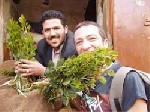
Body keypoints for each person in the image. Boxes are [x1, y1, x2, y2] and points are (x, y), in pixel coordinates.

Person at [71, 21, 147, 112]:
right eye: (79, 42)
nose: (85, 46)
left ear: (105, 43)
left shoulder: (128, 78)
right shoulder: (83, 80)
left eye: (92, 38)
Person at [15, 10, 77, 77]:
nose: (52, 34)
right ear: (43, 33)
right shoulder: (42, 45)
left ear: (65, 29)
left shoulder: (75, 46)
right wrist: (24, 67)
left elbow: (70, 78)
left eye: (56, 28)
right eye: (47, 30)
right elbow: (36, 68)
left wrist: (44, 71)